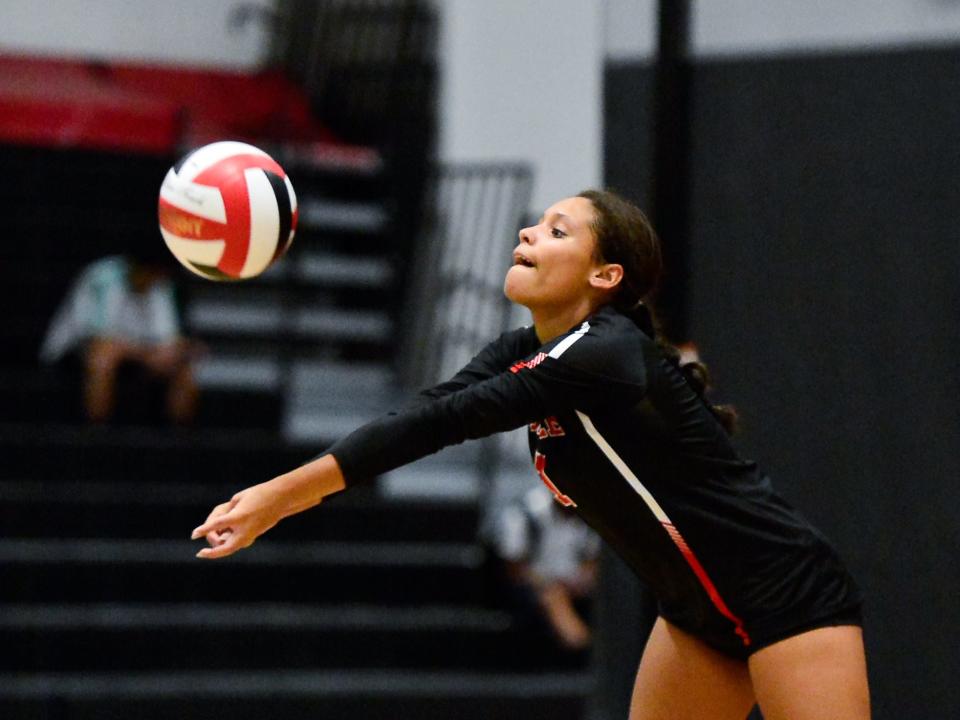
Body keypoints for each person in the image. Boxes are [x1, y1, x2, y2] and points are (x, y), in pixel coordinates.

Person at [191, 189, 870, 720]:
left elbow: (447, 421)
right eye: (536, 224)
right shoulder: (526, 349)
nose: (527, 233)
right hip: (695, 616)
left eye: (556, 230)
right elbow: (426, 412)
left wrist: (279, 497)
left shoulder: (606, 353)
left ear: (606, 274)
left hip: (788, 594)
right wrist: (284, 494)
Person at [40, 250, 199, 425]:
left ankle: (177, 437)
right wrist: (147, 355)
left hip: (135, 354)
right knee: (104, 356)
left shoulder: (160, 284)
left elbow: (168, 338)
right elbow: (100, 336)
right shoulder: (103, 277)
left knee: (183, 363)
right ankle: (95, 430)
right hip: (74, 350)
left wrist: (179, 349)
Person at [489, 484, 600, 653]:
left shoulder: (590, 516)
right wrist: (550, 583)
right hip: (532, 587)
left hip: (575, 586)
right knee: (553, 595)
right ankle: (581, 644)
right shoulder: (524, 513)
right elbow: (514, 569)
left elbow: (592, 561)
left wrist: (581, 579)